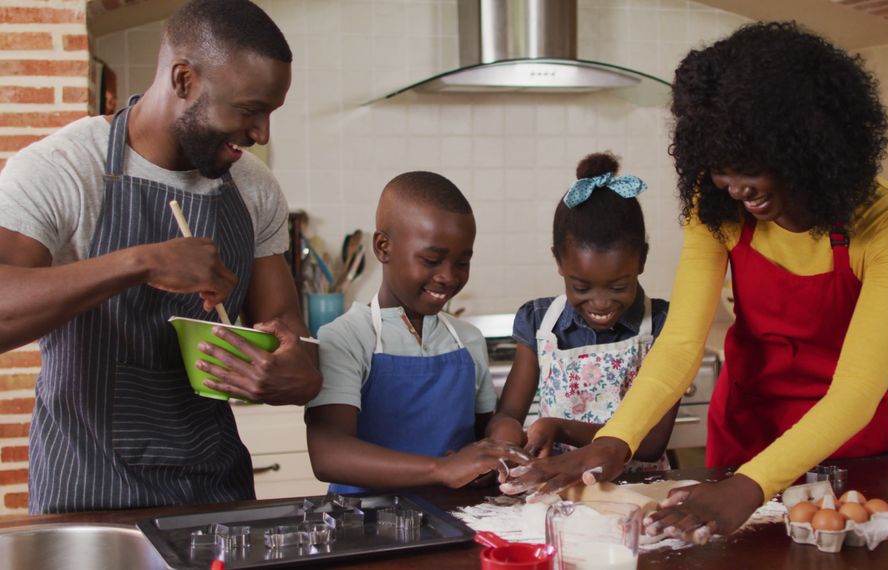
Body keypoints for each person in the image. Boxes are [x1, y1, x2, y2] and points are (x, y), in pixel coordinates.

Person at [502, 21, 888, 539]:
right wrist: (615, 443)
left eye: (750, 164)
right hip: (745, 427)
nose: (733, 185)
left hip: (844, 443)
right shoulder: (717, 205)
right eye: (721, 166)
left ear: (808, 144)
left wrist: (751, 487)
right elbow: (680, 345)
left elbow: (857, 390)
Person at [0, 0, 322, 514]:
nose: (262, 133)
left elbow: (285, 323)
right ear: (183, 79)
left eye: (269, 113)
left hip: (218, 490)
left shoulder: (254, 188)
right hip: (88, 493)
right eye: (248, 110)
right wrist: (141, 263)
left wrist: (300, 367)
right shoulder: (61, 169)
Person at [305, 172, 528, 492]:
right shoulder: (344, 338)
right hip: (366, 526)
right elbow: (329, 455)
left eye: (462, 262)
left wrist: (503, 441)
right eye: (432, 259)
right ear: (383, 247)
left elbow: (484, 437)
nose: (448, 277)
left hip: (456, 518)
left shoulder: (468, 340)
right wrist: (443, 469)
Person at [486, 152, 677, 473]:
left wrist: (559, 427)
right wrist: (507, 439)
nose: (601, 303)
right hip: (558, 491)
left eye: (617, 287)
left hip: (639, 492)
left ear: (641, 259)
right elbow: (508, 414)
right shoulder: (539, 322)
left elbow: (651, 444)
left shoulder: (661, 324)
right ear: (559, 262)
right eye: (582, 287)